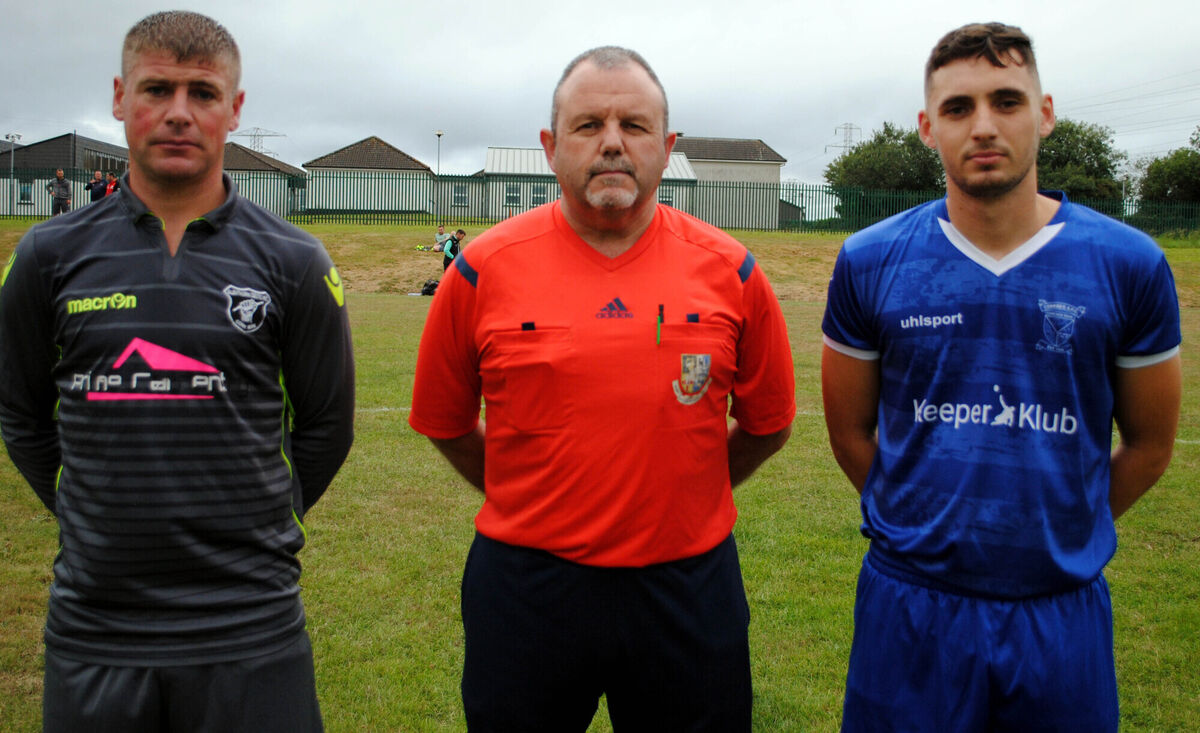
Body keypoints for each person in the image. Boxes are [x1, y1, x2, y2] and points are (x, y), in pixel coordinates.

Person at [409, 46, 795, 731]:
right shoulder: (479, 270)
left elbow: (768, 423)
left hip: (687, 587)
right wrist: (530, 496)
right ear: (551, 146)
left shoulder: (732, 270)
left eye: (635, 126)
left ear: (667, 147)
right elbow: (444, 421)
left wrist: (686, 493)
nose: (612, 142)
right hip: (529, 590)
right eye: (588, 125)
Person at [820, 22, 1181, 732]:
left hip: (1059, 612)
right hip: (909, 608)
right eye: (958, 108)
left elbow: (1149, 444)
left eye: (1007, 101)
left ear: (1044, 114)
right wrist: (924, 524)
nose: (983, 126)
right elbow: (849, 431)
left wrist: (1060, 524)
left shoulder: (1129, 264)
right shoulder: (870, 260)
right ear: (928, 127)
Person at [0, 11, 354, 732]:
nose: (179, 113)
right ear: (119, 98)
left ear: (235, 108)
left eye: (203, 92)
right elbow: (19, 412)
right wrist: (82, 508)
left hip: (251, 628)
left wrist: (271, 512)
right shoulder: (46, 255)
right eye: (156, 89)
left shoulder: (293, 260)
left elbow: (326, 425)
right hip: (96, 631)